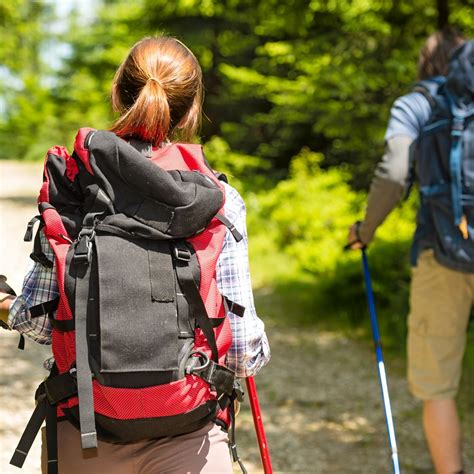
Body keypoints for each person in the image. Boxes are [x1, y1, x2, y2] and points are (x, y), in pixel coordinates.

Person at [0, 36, 270, 473]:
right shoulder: (217, 199)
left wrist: (3, 303)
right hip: (191, 435)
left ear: (118, 93)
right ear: (192, 106)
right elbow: (242, 349)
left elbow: (39, 321)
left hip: (87, 434)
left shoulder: (75, 186)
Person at [348, 30, 471, 474]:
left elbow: (396, 171)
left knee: (437, 386)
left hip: (441, 253)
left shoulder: (417, 103)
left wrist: (367, 229)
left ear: (425, 65)